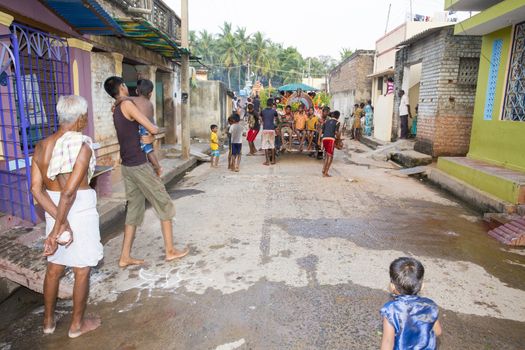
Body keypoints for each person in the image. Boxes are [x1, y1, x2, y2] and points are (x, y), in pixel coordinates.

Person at [30, 95, 103, 338]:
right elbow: (69, 192)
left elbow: (35, 189)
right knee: (82, 269)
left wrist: (56, 221)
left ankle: (48, 322)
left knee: (54, 268)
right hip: (76, 209)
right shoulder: (80, 146)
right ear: (81, 118)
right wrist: (62, 225)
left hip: (53, 208)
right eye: (86, 116)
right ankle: (76, 326)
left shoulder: (41, 146)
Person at [103, 76, 189, 267]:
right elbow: (152, 128)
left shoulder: (116, 107)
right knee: (165, 204)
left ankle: (124, 257)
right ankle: (170, 251)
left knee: (133, 211)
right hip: (139, 165)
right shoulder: (127, 105)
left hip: (127, 166)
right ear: (123, 87)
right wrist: (153, 134)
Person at [380, 257, 442, 350]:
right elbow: (438, 331)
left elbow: (388, 343)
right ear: (422, 286)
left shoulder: (391, 310)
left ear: (392, 286)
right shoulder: (430, 305)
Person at [134, 79, 162, 177]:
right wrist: (153, 133)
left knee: (148, 151)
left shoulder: (132, 100)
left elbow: (122, 99)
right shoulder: (150, 104)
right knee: (150, 150)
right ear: (150, 93)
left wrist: (117, 102)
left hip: (141, 129)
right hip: (149, 128)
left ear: (137, 91)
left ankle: (157, 167)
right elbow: (152, 121)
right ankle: (156, 167)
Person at [321, 110, 341, 177]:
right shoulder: (337, 122)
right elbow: (336, 132)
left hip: (324, 138)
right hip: (331, 139)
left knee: (327, 155)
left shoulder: (326, 121)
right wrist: (338, 139)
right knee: (331, 156)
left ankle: (324, 169)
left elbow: (322, 131)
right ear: (338, 116)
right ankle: (325, 172)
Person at [261, 98, 278, 165]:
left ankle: (267, 161)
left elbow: (262, 118)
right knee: (272, 145)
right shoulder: (274, 111)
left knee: (265, 146)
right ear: (271, 104)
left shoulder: (263, 111)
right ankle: (273, 160)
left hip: (265, 129)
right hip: (272, 129)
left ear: (267, 103)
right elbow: (276, 118)